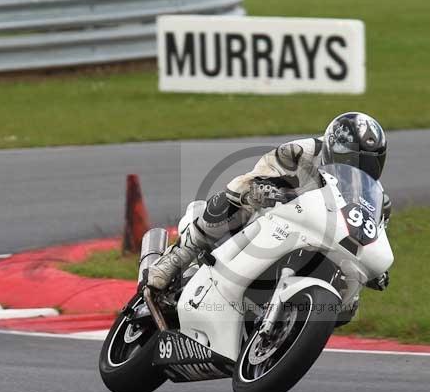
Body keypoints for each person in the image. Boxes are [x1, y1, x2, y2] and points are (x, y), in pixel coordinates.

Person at [146, 112, 391, 291]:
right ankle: (179, 255)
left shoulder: (376, 199)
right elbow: (256, 177)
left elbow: (367, 235)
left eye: (368, 162)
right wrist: (262, 190)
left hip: (321, 237)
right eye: (351, 159)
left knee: (350, 292)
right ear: (332, 149)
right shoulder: (297, 153)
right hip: (276, 215)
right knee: (241, 195)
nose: (357, 168)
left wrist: (373, 269)